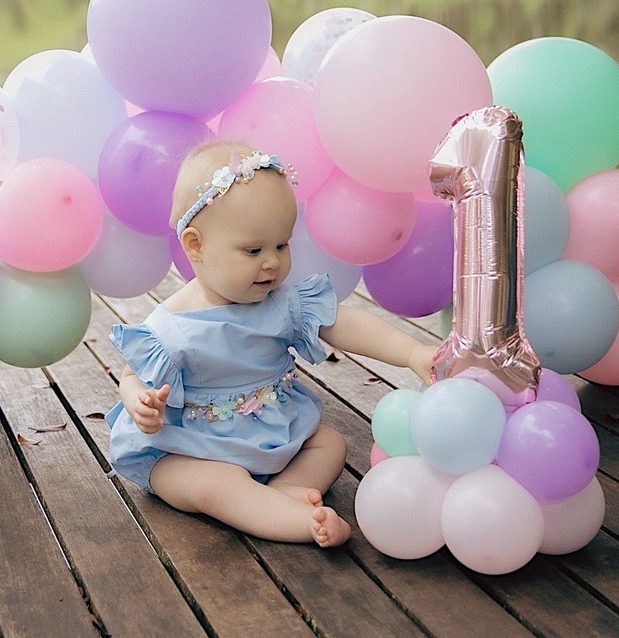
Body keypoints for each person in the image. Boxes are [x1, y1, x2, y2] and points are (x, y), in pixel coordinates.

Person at [106, 141, 438, 547]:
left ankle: (284, 490)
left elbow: (345, 325)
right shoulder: (173, 326)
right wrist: (141, 402)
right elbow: (130, 374)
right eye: (253, 250)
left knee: (329, 444)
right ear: (196, 246)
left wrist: (410, 353)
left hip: (269, 432)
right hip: (187, 448)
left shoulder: (281, 302)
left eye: (282, 245)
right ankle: (296, 521)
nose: (272, 262)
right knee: (216, 485)